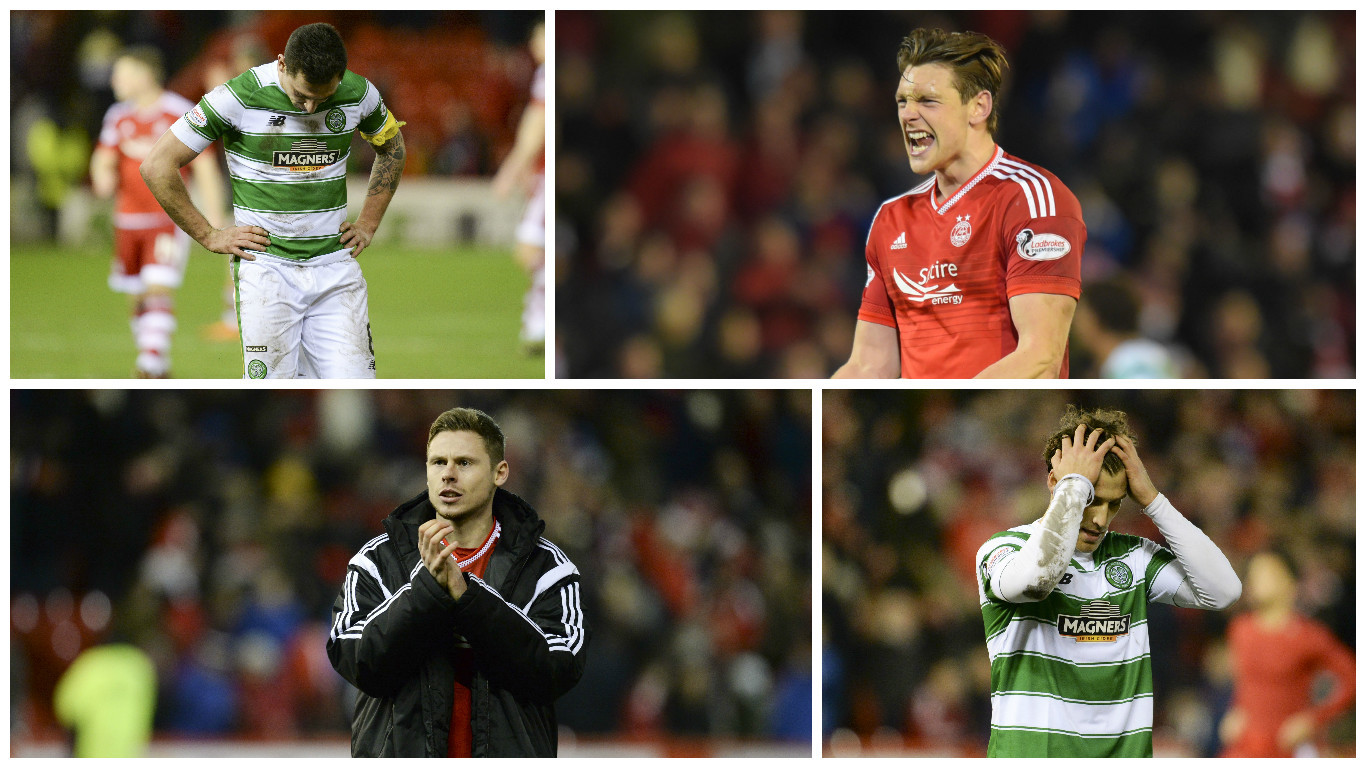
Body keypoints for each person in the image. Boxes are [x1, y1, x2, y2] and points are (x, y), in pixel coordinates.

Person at [141, 22, 406, 378]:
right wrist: (208, 234)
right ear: (281, 64)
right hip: (267, 270)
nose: (311, 106)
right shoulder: (237, 96)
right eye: (301, 95)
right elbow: (157, 165)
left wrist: (369, 222)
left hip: (335, 268)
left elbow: (392, 149)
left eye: (322, 98)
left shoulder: (359, 94)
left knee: (357, 384)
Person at [974, 406, 1241, 756]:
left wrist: (1153, 501)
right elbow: (1038, 581)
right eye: (1091, 499)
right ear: (1055, 481)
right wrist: (1074, 486)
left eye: (1114, 504)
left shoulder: (1133, 557)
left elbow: (1224, 591)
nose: (1100, 519)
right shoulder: (1004, 549)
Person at [327, 407, 588, 757]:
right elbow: (358, 661)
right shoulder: (376, 561)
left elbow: (557, 670)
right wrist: (427, 592)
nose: (448, 474)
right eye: (438, 463)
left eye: (464, 463)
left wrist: (468, 598)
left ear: (500, 472)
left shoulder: (545, 568)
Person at [833, 28, 1086, 379]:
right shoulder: (891, 218)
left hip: (1003, 428)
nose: (908, 114)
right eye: (902, 101)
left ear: (979, 106)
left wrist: (953, 423)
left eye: (927, 101)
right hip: (928, 428)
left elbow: (1040, 356)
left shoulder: (1032, 199)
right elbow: (869, 364)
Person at [91, 46, 226, 377]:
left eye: (121, 73)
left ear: (144, 75)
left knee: (157, 285)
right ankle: (157, 363)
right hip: (127, 219)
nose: (114, 80)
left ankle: (149, 363)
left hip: (168, 218)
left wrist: (213, 215)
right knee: (136, 295)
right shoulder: (118, 116)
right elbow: (104, 157)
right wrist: (102, 177)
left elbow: (206, 165)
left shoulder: (179, 113)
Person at [1219, 549, 1354, 757]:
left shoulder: (1309, 636)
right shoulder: (1240, 629)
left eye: (1267, 573)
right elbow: (1244, 682)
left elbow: (1353, 679)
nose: (1257, 580)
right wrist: (1234, 710)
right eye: (1253, 574)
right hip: (1243, 746)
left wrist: (1313, 720)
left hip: (1285, 747)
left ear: (1290, 583)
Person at [491, 21, 547, 356]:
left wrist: (511, 169)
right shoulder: (543, 74)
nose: (533, 42)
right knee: (539, 253)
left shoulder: (547, 73)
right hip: (542, 173)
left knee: (529, 250)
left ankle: (541, 319)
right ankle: (538, 323)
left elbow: (537, 125)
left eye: (540, 35)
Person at [1071, 278, 1180, 378]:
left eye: (1079, 314)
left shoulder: (1134, 361)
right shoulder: (1122, 361)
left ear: (1093, 318)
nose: (1074, 323)